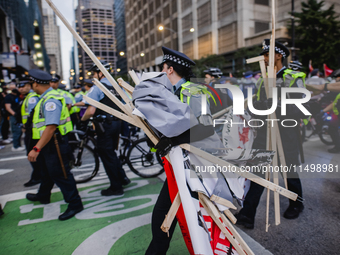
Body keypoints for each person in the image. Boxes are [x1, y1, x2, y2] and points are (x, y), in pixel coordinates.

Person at [145, 47, 221, 254]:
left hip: (196, 166)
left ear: (169, 70)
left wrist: (172, 140)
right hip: (180, 166)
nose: (161, 71)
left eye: (163, 68)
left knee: (190, 218)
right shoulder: (171, 93)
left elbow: (205, 127)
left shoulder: (193, 93)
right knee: (164, 215)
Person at [236, 39, 306, 229]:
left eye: (267, 54)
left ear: (278, 55)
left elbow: (302, 106)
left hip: (286, 132)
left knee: (288, 171)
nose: (264, 58)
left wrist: (277, 106)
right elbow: (256, 104)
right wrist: (256, 107)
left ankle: (297, 203)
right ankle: (247, 215)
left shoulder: (292, 77)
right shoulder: (262, 80)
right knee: (257, 172)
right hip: (264, 132)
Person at [25, 69, 83, 221]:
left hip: (54, 143)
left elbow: (51, 127)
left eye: (31, 83)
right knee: (46, 171)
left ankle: (75, 204)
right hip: (48, 144)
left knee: (62, 174)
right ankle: (43, 194)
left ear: (36, 83)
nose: (31, 86)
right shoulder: (45, 97)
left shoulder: (50, 100)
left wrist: (36, 148)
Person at [80, 60, 130, 196]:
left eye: (94, 73)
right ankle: (123, 178)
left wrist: (82, 119)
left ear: (101, 72)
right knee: (112, 153)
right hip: (117, 123)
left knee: (106, 155)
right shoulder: (116, 87)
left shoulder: (98, 87)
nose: (93, 77)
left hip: (105, 126)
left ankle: (116, 187)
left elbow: (90, 110)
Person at [18, 76, 42, 187]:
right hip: (31, 129)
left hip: (32, 130)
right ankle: (38, 176)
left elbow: (32, 115)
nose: (20, 88)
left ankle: (37, 176)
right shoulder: (28, 97)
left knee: (32, 154)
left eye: (23, 86)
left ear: (29, 85)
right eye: (19, 87)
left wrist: (26, 126)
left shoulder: (32, 97)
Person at [4, 83, 24, 151]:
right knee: (16, 131)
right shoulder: (8, 97)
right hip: (14, 116)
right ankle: (16, 146)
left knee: (20, 131)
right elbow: (8, 107)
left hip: (19, 116)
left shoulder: (19, 95)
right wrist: (14, 114)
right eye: (12, 88)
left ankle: (18, 145)